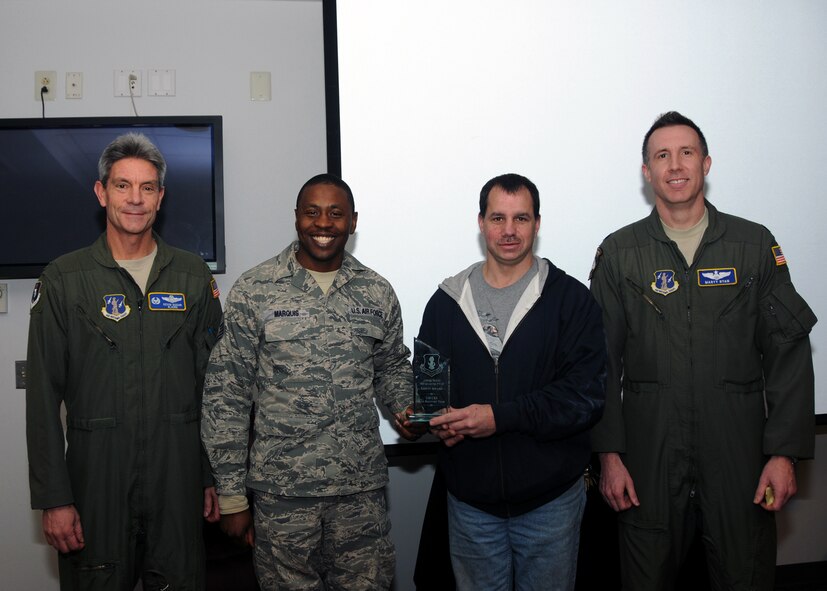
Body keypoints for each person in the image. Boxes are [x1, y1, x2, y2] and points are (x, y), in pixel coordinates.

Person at [589, 111, 816, 590]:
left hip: (740, 461)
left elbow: (787, 354)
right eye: (662, 155)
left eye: (687, 152)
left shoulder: (753, 245)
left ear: (706, 164)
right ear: (646, 171)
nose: (676, 165)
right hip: (648, 462)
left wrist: (784, 454)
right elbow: (600, 364)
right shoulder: (620, 252)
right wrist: (608, 456)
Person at [201, 173, 419, 590]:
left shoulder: (377, 291)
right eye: (312, 212)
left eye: (336, 214)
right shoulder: (256, 289)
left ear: (353, 222)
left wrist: (405, 408)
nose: (323, 223)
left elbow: (391, 367)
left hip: (361, 494)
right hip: (284, 497)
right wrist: (231, 495)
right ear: (296, 218)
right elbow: (226, 394)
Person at [26, 133, 224, 590]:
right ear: (101, 192)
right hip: (96, 486)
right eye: (122, 186)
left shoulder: (193, 276)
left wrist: (212, 476)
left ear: (161, 197)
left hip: (177, 484)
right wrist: (54, 499)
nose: (135, 199)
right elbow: (41, 399)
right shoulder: (64, 280)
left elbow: (215, 389)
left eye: (147, 187)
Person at [420, 173, 607, 591]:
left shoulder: (571, 300)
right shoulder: (445, 303)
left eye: (520, 219)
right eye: (498, 218)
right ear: (481, 222)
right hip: (471, 505)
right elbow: (430, 388)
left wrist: (500, 418)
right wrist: (438, 420)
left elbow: (584, 397)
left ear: (537, 224)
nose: (508, 231)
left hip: (550, 503)